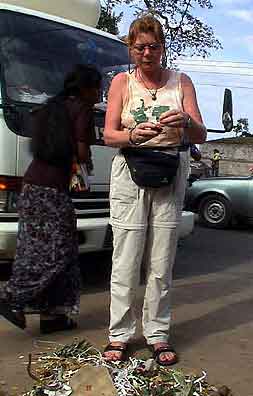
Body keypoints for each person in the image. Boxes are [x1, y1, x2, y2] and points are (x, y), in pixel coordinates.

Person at [103, 15, 207, 365]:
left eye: (154, 46)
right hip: (130, 171)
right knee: (126, 258)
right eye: (139, 47)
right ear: (131, 49)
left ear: (163, 47)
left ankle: (157, 334)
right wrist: (132, 136)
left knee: (162, 260)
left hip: (170, 171)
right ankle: (119, 334)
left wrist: (186, 121)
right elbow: (109, 135)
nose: (147, 53)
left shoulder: (182, 82)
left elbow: (200, 134)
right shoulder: (121, 82)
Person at [0, 64, 102, 333]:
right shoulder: (81, 108)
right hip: (51, 192)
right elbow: (81, 153)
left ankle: (54, 315)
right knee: (56, 252)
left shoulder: (50, 107)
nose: (99, 94)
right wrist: (88, 156)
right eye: (97, 88)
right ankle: (12, 297)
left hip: (33, 187)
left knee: (46, 249)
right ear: (85, 89)